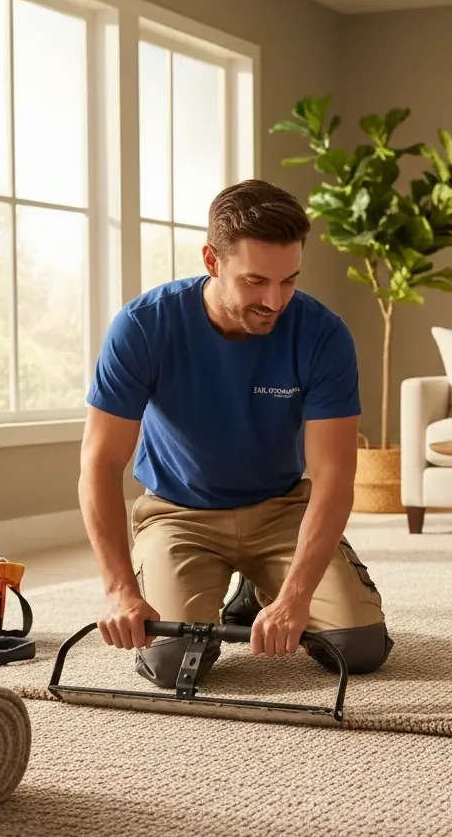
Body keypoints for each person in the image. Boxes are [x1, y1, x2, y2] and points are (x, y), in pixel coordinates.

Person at [78, 179, 392, 688]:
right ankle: (224, 587)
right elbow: (100, 464)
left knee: (358, 649)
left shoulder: (323, 335)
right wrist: (118, 588)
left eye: (289, 280)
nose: (275, 300)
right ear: (212, 260)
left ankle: (260, 589)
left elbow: (333, 476)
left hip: (282, 509)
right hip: (179, 514)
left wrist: (294, 597)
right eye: (255, 281)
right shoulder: (142, 327)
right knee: (172, 663)